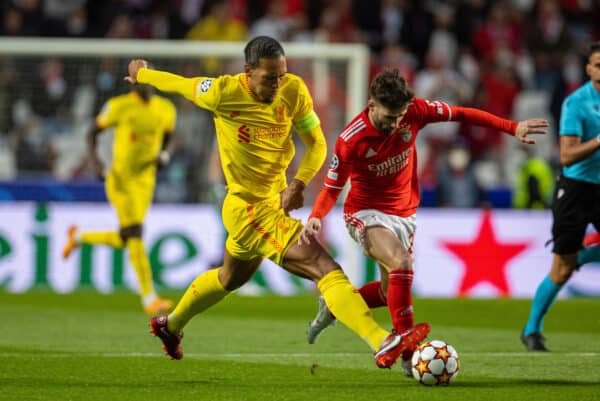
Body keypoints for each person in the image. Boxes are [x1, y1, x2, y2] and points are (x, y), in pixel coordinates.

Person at [124, 36, 430, 369]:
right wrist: (142, 74)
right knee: (324, 268)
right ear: (248, 72)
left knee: (230, 279)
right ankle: (381, 340)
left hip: (274, 202)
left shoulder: (293, 91)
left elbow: (316, 145)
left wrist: (299, 183)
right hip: (249, 209)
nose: (277, 83)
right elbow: (180, 84)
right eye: (270, 77)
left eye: (281, 75)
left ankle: (169, 326)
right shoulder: (222, 93)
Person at [298, 68, 549, 375]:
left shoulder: (416, 111)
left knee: (388, 290)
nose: (396, 124)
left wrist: (511, 127)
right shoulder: (352, 138)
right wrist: (315, 218)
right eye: (390, 117)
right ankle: (409, 352)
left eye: (400, 116)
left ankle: (336, 306)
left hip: (404, 214)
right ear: (371, 104)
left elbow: (463, 114)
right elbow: (331, 188)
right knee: (401, 263)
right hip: (365, 213)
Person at [62, 83, 176, 315]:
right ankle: (149, 298)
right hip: (121, 180)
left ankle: (79, 236)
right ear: (132, 83)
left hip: (145, 182)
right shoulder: (119, 106)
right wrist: (96, 162)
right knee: (135, 232)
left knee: (127, 237)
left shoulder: (165, 108)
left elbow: (168, 136)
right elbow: (92, 132)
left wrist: (164, 154)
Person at [521, 42, 600, 352]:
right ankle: (532, 329)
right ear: (588, 69)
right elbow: (567, 156)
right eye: (598, 64)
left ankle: (584, 255)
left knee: (572, 261)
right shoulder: (577, 103)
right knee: (562, 269)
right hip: (576, 189)